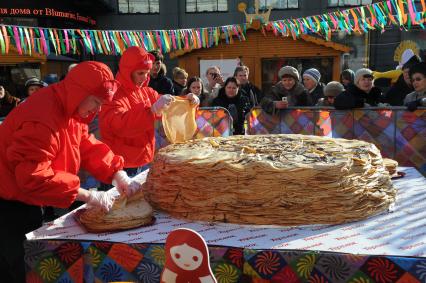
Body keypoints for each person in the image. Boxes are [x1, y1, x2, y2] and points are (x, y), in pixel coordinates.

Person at [0, 61, 138, 283]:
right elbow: (33, 175)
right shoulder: (42, 117)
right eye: (96, 101)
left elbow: (85, 144)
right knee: (19, 266)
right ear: (80, 92)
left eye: (103, 103)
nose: (98, 109)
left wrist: (116, 173)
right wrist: (87, 195)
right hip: (7, 201)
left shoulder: (70, 107)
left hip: (25, 197)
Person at [99, 46, 199, 176]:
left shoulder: (145, 91)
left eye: (147, 73)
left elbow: (168, 103)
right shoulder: (113, 94)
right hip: (119, 165)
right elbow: (121, 126)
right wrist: (151, 111)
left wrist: (186, 100)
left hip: (143, 159)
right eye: (140, 73)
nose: (144, 77)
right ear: (127, 71)